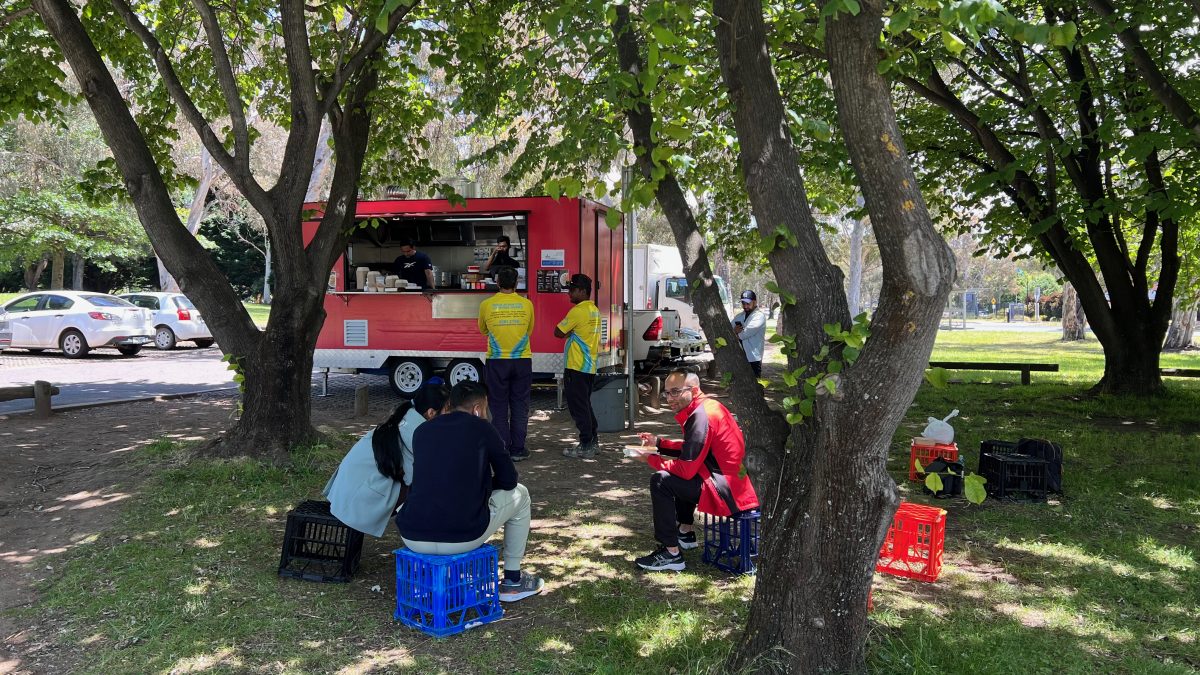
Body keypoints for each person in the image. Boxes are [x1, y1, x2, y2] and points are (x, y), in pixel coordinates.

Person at [396, 381, 545, 602]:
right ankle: (513, 581)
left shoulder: (422, 430)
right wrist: (480, 485)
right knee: (521, 495)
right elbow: (509, 480)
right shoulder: (483, 428)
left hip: (412, 534)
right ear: (477, 408)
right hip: (463, 535)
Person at [629, 370, 759, 571]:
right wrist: (659, 444)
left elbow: (686, 469)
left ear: (694, 389)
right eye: (666, 393)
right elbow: (694, 449)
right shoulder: (708, 407)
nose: (669, 398)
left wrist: (651, 459)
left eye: (675, 392)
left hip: (725, 491)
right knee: (678, 473)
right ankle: (686, 532)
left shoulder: (701, 416)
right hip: (731, 483)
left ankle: (671, 553)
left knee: (661, 480)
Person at [322, 380, 451, 537]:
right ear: (431, 413)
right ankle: (421, 534)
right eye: (447, 411)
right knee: (425, 488)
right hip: (354, 499)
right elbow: (420, 479)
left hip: (346, 490)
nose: (450, 416)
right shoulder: (416, 433)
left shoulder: (407, 416)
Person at [477, 266, 534, 461]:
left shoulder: (487, 304)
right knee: (520, 404)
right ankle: (518, 449)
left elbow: (483, 329)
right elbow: (529, 329)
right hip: (522, 361)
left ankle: (502, 448)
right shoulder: (527, 304)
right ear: (517, 283)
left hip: (496, 361)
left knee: (498, 405)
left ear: (498, 282)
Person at [554, 273, 602, 459]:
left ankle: (586, 445)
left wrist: (570, 332)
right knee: (585, 405)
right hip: (588, 367)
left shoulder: (578, 311)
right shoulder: (594, 310)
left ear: (582, 291)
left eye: (573, 290)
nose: (569, 294)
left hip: (576, 366)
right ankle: (593, 441)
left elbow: (558, 332)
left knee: (578, 408)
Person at [732, 290, 767, 377]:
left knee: (755, 383)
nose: (745, 306)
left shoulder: (759, 316)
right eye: (743, 303)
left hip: (753, 357)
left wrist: (735, 332)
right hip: (740, 355)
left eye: (748, 303)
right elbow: (728, 329)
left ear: (755, 302)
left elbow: (745, 334)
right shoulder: (739, 315)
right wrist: (734, 331)